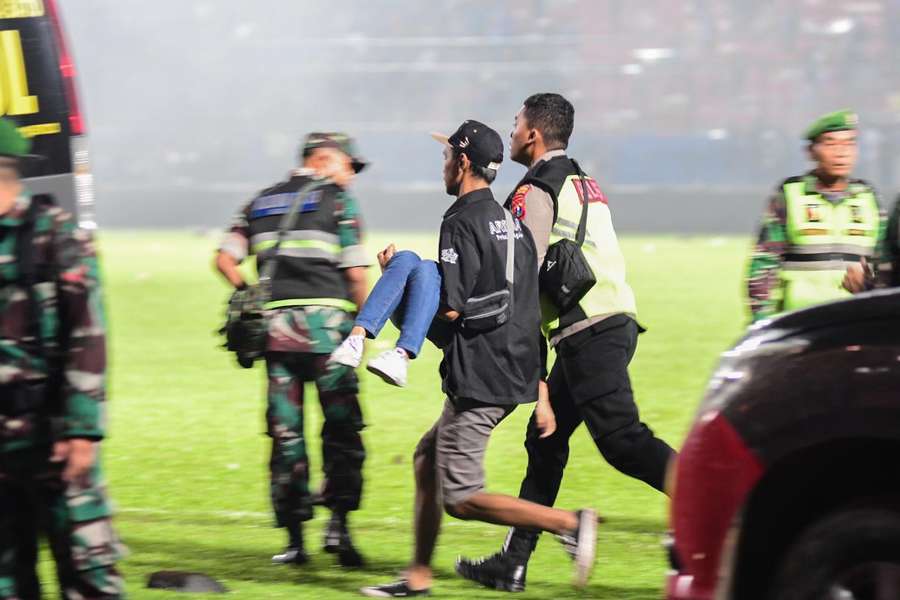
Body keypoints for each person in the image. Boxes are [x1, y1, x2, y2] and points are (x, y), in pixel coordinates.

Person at [360, 120, 598, 598]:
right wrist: (541, 389)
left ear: (463, 163)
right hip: (512, 368)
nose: (444, 165)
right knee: (428, 459)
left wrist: (398, 287)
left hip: (482, 375)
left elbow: (452, 307)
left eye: (447, 157)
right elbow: (526, 308)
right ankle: (418, 576)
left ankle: (570, 524)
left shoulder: (459, 222)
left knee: (463, 497)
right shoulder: (512, 222)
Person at [456, 94, 676, 593]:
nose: (511, 133)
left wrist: (529, 370)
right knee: (547, 442)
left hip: (588, 330)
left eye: (515, 125)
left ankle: (713, 506)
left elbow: (521, 275)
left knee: (623, 441)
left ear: (532, 135)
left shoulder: (535, 189)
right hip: (607, 319)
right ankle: (514, 562)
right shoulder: (581, 179)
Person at [215, 132, 370, 568]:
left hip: (276, 336)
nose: (351, 175)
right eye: (348, 165)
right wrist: (364, 326)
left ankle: (295, 540)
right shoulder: (338, 201)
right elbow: (356, 273)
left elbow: (224, 259)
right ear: (322, 160)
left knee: (286, 436)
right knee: (341, 431)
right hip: (330, 335)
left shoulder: (260, 201)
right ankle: (339, 528)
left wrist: (250, 294)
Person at [0, 118, 126, 599]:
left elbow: (87, 332)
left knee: (88, 574)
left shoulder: (53, 234)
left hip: (51, 434)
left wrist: (82, 430)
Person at [747, 109, 888, 321]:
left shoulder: (869, 199)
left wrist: (871, 285)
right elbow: (764, 264)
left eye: (849, 144)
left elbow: (887, 264)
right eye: (831, 144)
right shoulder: (790, 195)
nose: (841, 152)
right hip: (800, 325)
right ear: (811, 152)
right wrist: (762, 323)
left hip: (855, 324)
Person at [329, 245, 440, 387]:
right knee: (406, 258)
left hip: (462, 324)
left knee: (429, 268)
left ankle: (403, 353)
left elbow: (453, 313)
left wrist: (419, 292)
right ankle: (356, 339)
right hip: (423, 311)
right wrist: (392, 277)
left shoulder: (462, 227)